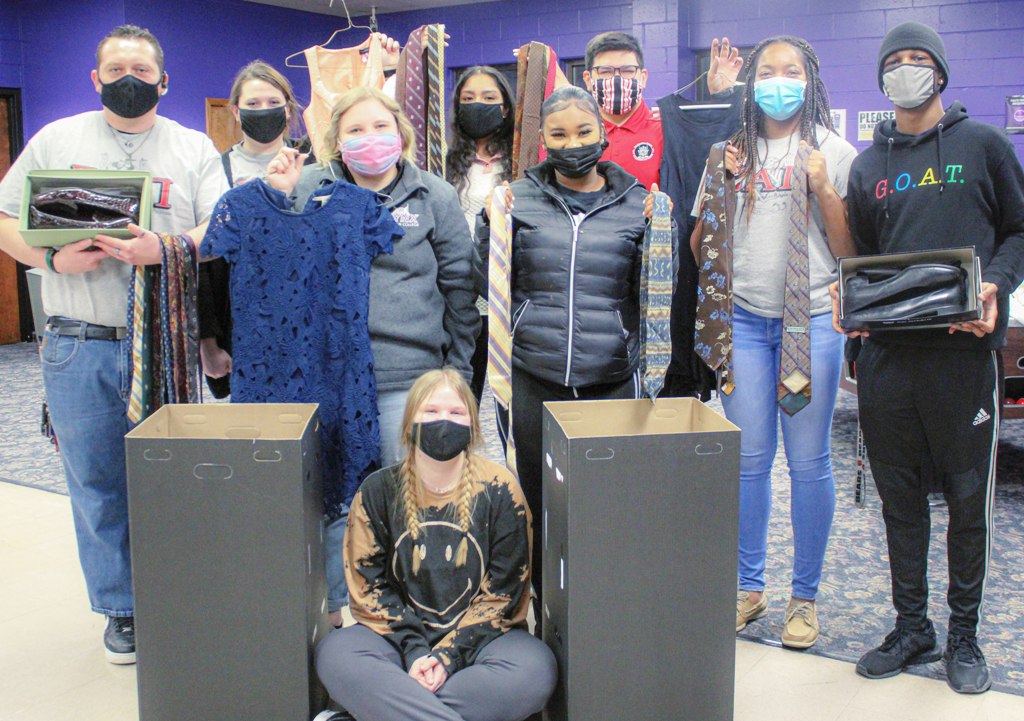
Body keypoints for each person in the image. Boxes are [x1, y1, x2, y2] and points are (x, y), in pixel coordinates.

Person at [0, 25, 227, 663]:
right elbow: (6, 218)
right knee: (97, 482)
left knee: (173, 479)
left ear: (164, 80)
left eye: (142, 69)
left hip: (165, 342)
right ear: (95, 78)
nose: (130, 78)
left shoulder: (192, 146)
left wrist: (167, 247)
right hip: (78, 340)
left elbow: (221, 224)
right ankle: (121, 609)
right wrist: (50, 261)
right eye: (116, 69)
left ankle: (178, 594)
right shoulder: (56, 139)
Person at [833, 21, 1024, 693]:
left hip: (962, 358)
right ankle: (912, 625)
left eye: (919, 59)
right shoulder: (868, 166)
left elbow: (1019, 229)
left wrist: (997, 283)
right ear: (882, 77)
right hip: (888, 360)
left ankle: (964, 634)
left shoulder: (984, 146)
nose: (907, 69)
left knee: (969, 501)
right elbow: (862, 255)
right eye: (896, 60)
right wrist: (849, 300)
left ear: (940, 72)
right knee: (899, 500)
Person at [265, 85, 478, 627]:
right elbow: (277, 272)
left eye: (380, 126)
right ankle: (344, 615)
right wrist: (278, 199)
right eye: (355, 130)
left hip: (406, 378)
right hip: (328, 378)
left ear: (401, 133)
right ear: (335, 142)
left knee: (408, 500)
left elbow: (460, 290)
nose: (370, 138)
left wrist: (456, 375)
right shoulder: (310, 187)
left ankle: (416, 613)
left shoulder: (434, 196)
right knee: (335, 501)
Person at [690, 35, 856, 649]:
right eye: (767, 71)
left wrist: (825, 188)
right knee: (749, 461)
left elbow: (850, 252)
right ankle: (749, 588)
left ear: (810, 81)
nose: (778, 81)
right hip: (745, 326)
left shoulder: (834, 150)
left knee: (809, 463)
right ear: (750, 83)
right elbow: (700, 251)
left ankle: (804, 598)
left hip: (809, 325)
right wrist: (722, 187)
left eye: (791, 71)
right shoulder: (727, 152)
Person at [479, 85, 673, 609]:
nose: (572, 144)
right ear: (542, 140)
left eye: (584, 131)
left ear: (603, 133)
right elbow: (489, 284)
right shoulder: (516, 201)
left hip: (612, 379)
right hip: (533, 376)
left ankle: (605, 612)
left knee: (610, 503)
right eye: (559, 135)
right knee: (536, 501)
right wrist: (487, 225)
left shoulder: (640, 204)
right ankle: (546, 610)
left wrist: (661, 229)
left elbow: (656, 297)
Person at [313, 368, 556, 721]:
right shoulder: (377, 491)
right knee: (335, 654)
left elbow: (504, 596)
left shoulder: (501, 489)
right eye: (430, 411)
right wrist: (416, 651)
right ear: (409, 423)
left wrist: (447, 657)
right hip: (396, 642)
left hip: (482, 643)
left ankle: (380, 712)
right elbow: (369, 590)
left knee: (536, 669)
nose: (444, 421)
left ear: (473, 426)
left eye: (456, 412)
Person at [198, 59, 303, 397]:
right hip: (237, 328)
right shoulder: (214, 171)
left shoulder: (314, 166)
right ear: (236, 111)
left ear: (288, 109)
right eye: (253, 104)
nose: (263, 110)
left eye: (273, 102)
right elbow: (203, 265)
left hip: (304, 324)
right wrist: (207, 343)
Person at [582, 32, 742, 191]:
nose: (617, 79)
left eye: (628, 70)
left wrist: (723, 96)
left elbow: (715, 171)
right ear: (588, 79)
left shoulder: (672, 131)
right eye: (605, 71)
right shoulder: (577, 138)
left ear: (643, 77)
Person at [446, 66, 515, 406]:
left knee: (507, 394)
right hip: (457, 291)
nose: (478, 105)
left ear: (505, 108)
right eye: (469, 98)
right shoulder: (442, 158)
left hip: (503, 289)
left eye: (489, 98)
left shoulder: (521, 158)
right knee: (463, 388)